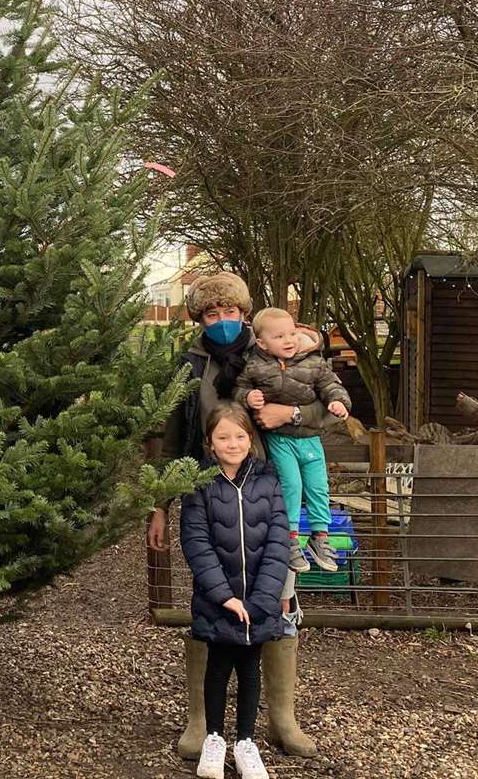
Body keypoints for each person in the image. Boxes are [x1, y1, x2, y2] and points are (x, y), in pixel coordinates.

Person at [147, 271, 323, 760]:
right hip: (210, 494)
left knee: (278, 596)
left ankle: (281, 718)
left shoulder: (274, 350)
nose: (221, 321)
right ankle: (200, 721)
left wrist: (287, 417)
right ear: (200, 318)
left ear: (245, 314)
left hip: (271, 493)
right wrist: (159, 504)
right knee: (211, 600)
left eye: (229, 312)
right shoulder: (188, 364)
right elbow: (172, 434)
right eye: (211, 313)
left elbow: (326, 408)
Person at [180, 402, 291, 779]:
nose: (233, 443)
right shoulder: (200, 486)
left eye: (240, 436)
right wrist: (223, 595)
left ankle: (246, 741)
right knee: (217, 668)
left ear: (251, 439)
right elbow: (196, 543)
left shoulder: (268, 482)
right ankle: (214, 738)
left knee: (250, 670)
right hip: (218, 599)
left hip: (258, 600)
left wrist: (262, 599)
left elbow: (278, 544)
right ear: (210, 443)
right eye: (224, 437)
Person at [235, 308, 353, 574]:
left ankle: (320, 536)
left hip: (310, 437)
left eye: (292, 333)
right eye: (279, 336)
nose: (289, 340)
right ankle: (290, 539)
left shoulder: (314, 362)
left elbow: (330, 385)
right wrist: (248, 397)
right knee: (291, 483)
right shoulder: (255, 365)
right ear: (262, 343)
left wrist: (337, 401)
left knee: (317, 485)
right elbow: (240, 388)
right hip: (280, 438)